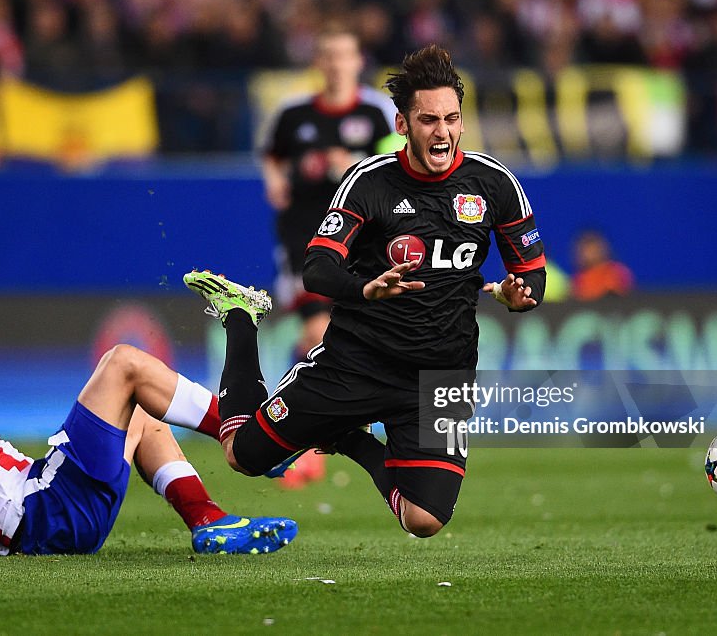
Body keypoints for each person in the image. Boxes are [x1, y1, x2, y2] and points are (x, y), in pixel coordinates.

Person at [186, 45, 546, 538]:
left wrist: (519, 293)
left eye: (452, 119)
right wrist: (364, 288)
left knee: (425, 520)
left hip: (440, 374)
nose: (442, 132)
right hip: (354, 364)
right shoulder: (369, 182)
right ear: (402, 124)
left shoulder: (493, 183)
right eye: (428, 120)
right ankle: (240, 316)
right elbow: (317, 269)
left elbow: (533, 271)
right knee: (242, 456)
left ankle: (349, 441)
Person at [0, 285, 296, 559]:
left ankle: (208, 520)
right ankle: (248, 432)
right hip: (46, 512)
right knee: (124, 363)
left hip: (38, 518)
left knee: (141, 414)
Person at [259, 24, 400, 487]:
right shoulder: (293, 113)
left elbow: (400, 164)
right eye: (329, 55)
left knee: (340, 341)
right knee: (317, 332)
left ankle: (290, 430)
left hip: (363, 246)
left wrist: (355, 168)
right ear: (318, 63)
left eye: (345, 54)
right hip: (307, 246)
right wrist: (275, 181)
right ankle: (293, 440)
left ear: (358, 62)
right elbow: (271, 156)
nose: (337, 64)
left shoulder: (378, 113)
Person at [570, 229, 633, 301]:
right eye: (584, 249)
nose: (588, 253)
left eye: (591, 248)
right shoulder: (578, 279)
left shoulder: (616, 272)